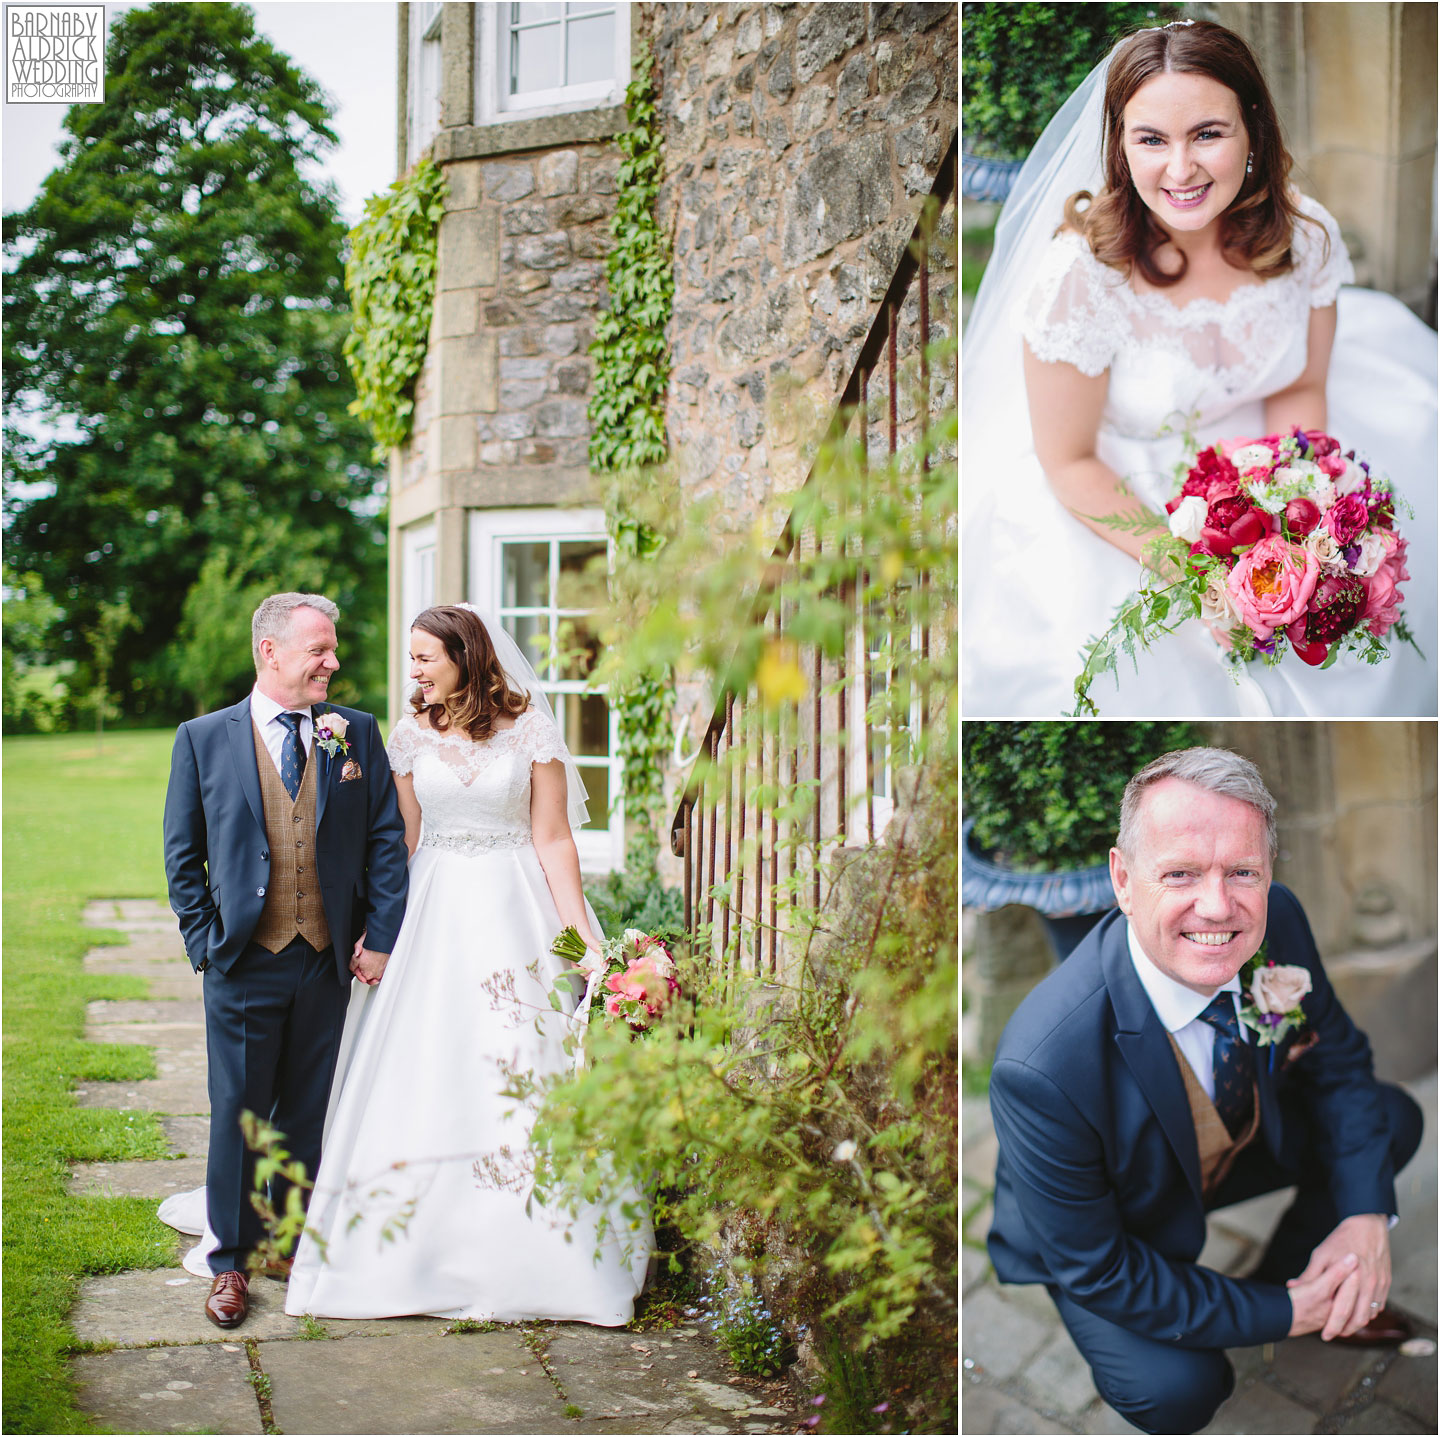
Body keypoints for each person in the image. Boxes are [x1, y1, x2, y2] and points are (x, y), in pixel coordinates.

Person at [962, 19, 1437, 716]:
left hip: (1266, 453)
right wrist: (1202, 576)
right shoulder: (1081, 276)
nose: (1180, 170)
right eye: (1151, 140)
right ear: (1120, 149)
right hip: (1120, 485)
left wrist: (1295, 514)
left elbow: (1303, 384)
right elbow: (1068, 461)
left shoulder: (1304, 236)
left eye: (1207, 134)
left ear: (1253, 131)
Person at [987, 747, 1423, 1434]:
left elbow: (1339, 1063)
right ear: (1123, 879)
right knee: (1176, 1387)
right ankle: (1284, 1307)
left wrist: (1367, 1217)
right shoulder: (1041, 1065)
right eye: (1181, 873)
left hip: (1234, 1145)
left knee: (1392, 1118)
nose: (1217, 908)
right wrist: (1287, 1315)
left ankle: (1295, 1280)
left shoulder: (1277, 919)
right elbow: (1100, 1268)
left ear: (1269, 869)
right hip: (1114, 1225)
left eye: (1242, 870)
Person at [281, 603, 651, 1323]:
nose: (413, 669)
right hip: (434, 912)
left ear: (466, 655)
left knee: (523, 1058)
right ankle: (404, 1253)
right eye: (412, 656)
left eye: (425, 656)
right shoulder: (412, 733)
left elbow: (553, 842)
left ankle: (546, 1256)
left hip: (519, 910)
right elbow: (404, 844)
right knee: (427, 1066)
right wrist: (376, 930)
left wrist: (589, 946)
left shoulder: (532, 732)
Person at [162, 592, 410, 1330]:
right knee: (239, 1112)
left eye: (332, 649)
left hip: (327, 958)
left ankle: (290, 1243)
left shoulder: (355, 734)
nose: (333, 662)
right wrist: (207, 943)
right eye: (319, 650)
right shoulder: (204, 738)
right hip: (243, 960)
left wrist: (381, 936)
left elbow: (385, 843)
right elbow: (184, 855)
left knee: (306, 1111)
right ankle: (230, 1261)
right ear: (270, 651)